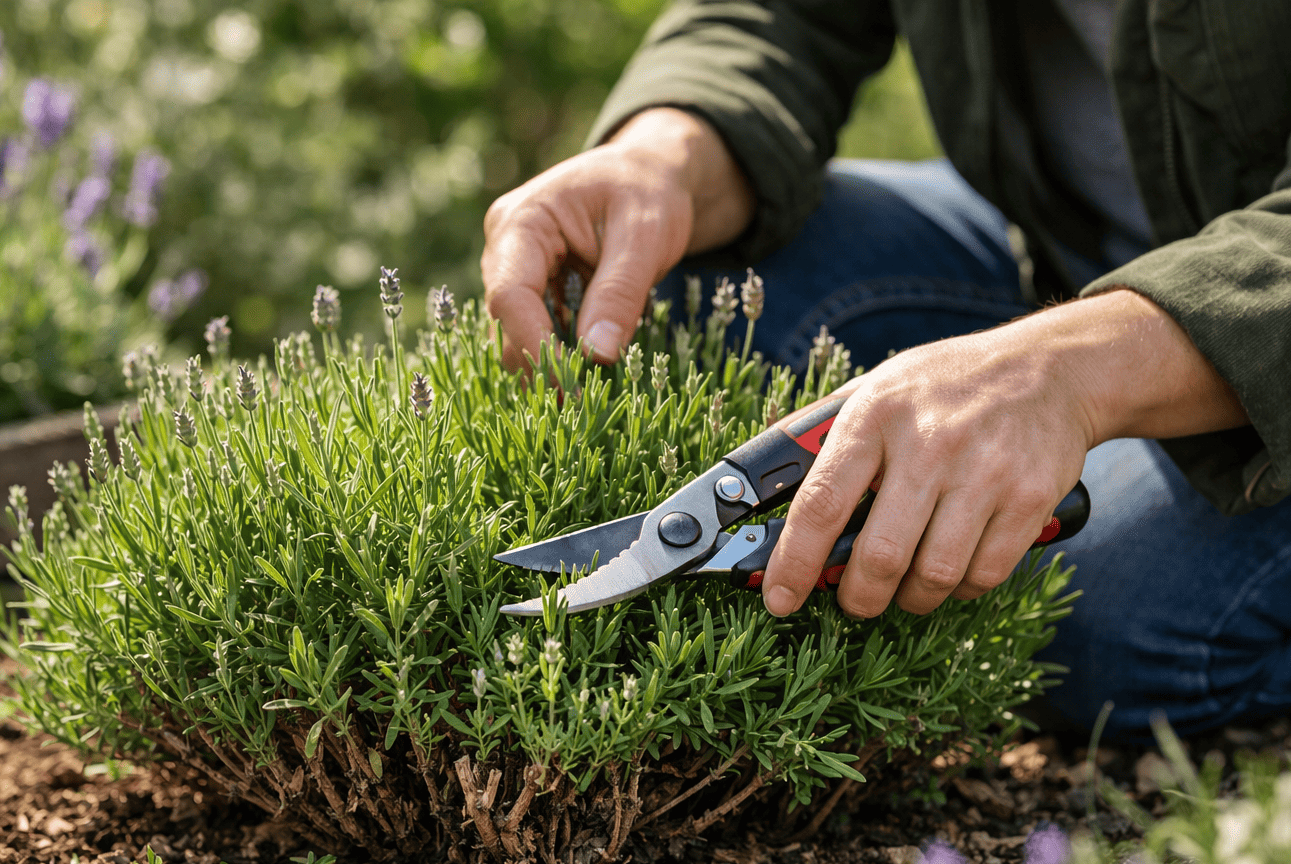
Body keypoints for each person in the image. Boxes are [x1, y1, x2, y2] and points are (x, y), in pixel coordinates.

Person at [479, 0, 1291, 742]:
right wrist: (666, 153)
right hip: (1053, 239)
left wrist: (1069, 371)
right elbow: (785, 17)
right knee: (681, 300)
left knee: (1091, 614)